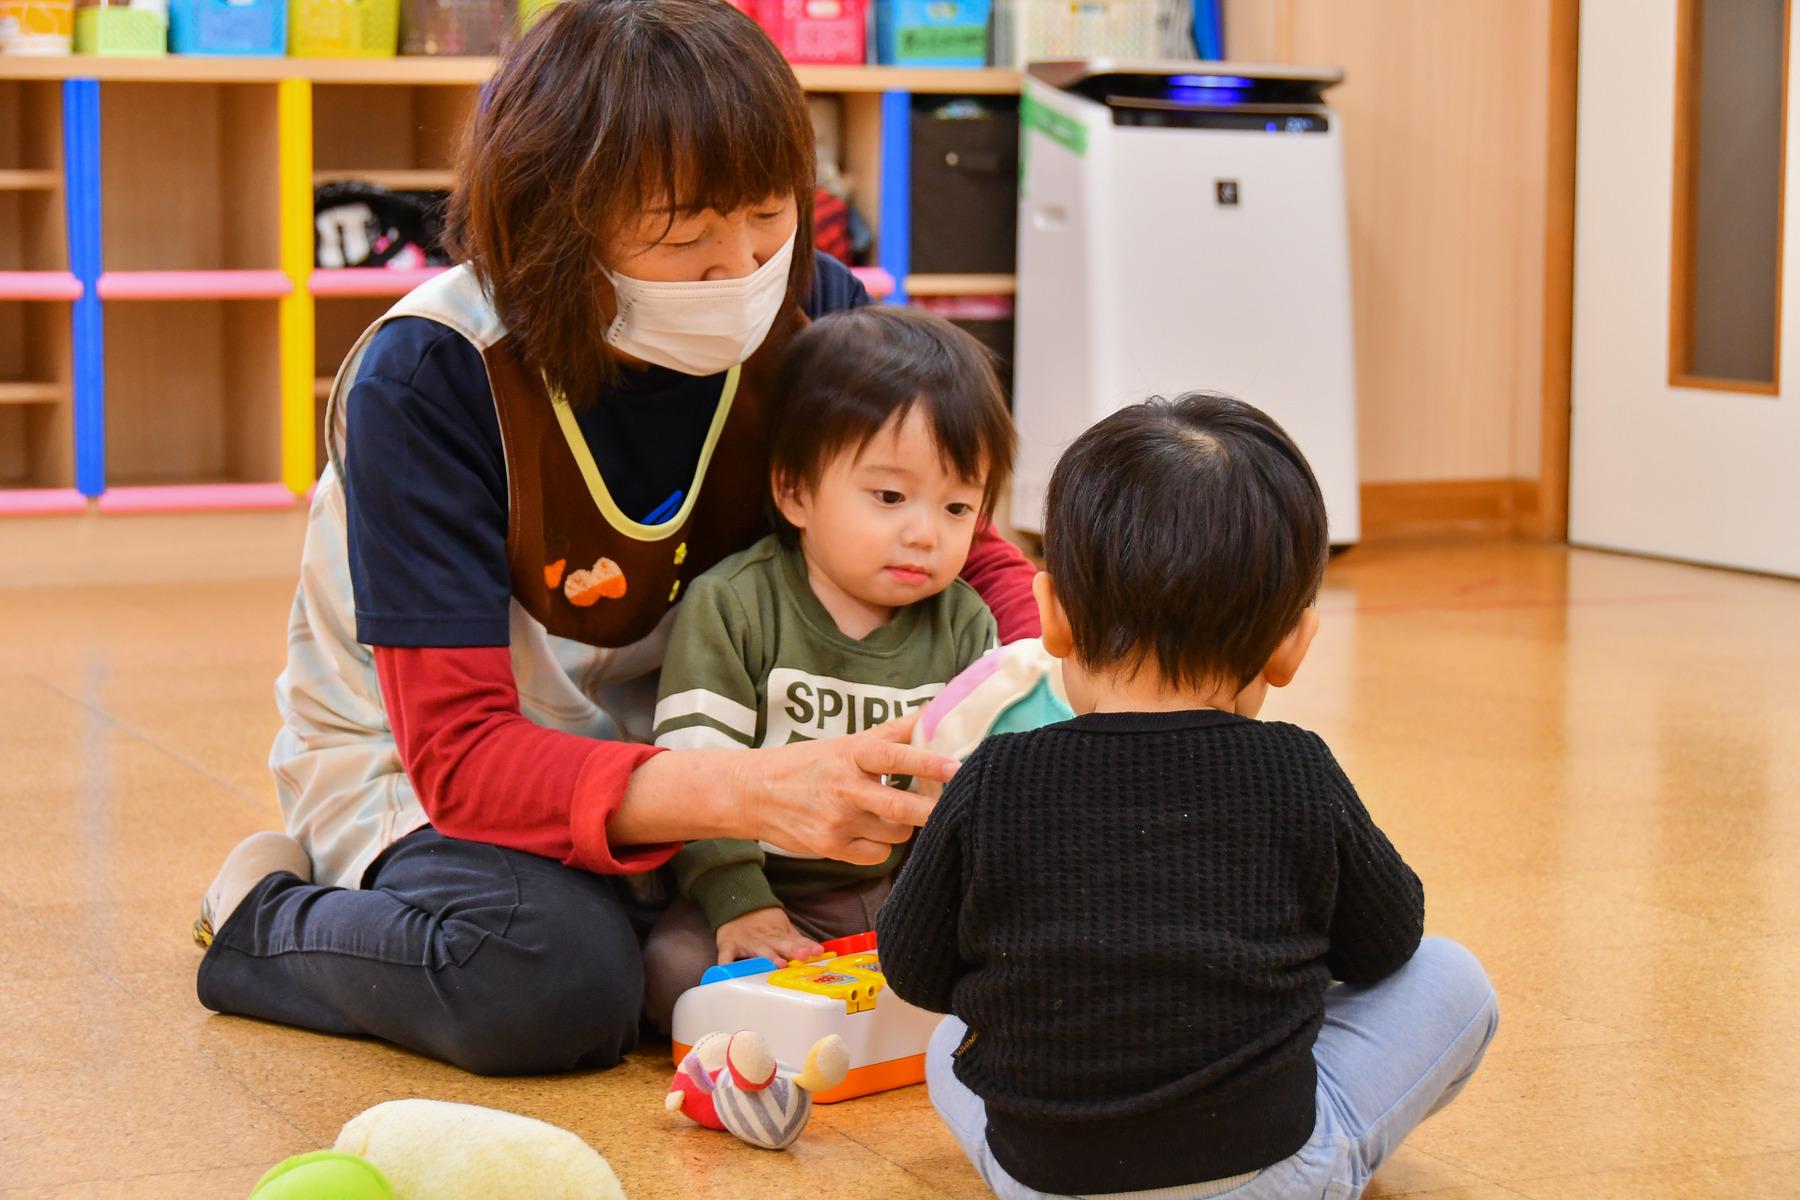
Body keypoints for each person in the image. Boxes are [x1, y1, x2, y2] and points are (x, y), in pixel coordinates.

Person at [189, 0, 1039, 1077]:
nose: (740, 268)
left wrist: (1040, 692)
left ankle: (635, 909)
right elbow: (462, 756)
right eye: (686, 237)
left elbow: (969, 538)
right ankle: (263, 920)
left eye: (769, 217)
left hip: (705, 740)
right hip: (436, 769)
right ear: (558, 222)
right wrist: (756, 791)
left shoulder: (814, 308)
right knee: (550, 982)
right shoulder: (433, 375)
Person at [876, 394, 1497, 1199]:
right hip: (1262, 1176)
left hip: (1045, 1178)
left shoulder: (994, 774)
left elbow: (915, 970)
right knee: (1454, 978)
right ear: (1291, 645)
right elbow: (1388, 944)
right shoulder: (1297, 770)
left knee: (948, 1043)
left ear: (1053, 616)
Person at [640, 307, 1015, 1030]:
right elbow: (691, 775)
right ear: (795, 492)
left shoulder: (966, 622)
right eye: (889, 496)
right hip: (766, 885)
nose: (923, 532)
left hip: (903, 891)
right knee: (673, 975)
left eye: (958, 505)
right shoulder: (733, 605)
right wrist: (742, 905)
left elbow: (976, 794)